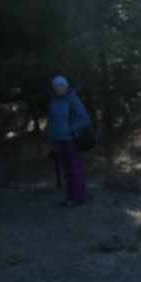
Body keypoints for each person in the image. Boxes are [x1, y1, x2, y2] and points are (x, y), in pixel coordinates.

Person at [48, 75, 90, 207]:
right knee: (66, 170)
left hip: (70, 139)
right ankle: (70, 197)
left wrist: (71, 129)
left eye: (61, 85)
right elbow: (51, 122)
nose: (59, 88)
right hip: (57, 140)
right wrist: (50, 140)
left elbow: (85, 119)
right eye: (56, 86)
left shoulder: (72, 99)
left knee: (75, 169)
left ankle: (79, 197)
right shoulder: (53, 102)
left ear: (66, 86)